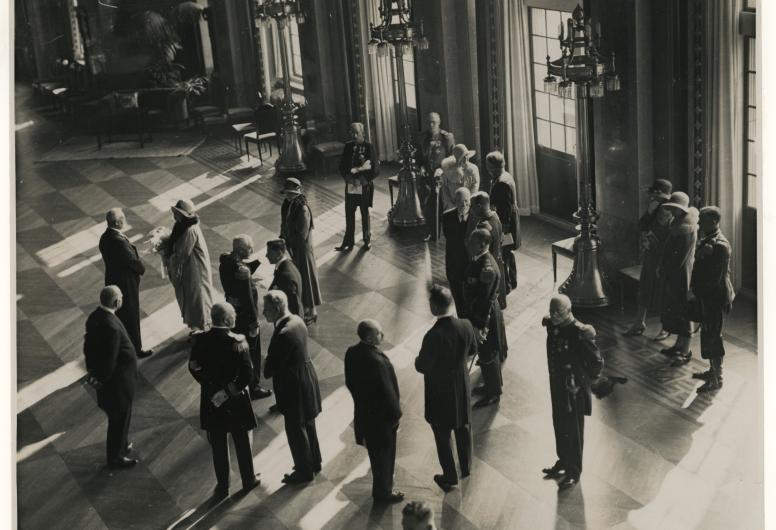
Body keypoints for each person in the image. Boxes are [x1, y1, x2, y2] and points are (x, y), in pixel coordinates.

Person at [189, 303, 261, 498]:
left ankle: (222, 486)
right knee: (242, 442)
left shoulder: (200, 340)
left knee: (218, 444)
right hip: (235, 400)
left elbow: (194, 367)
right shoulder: (238, 341)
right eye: (233, 314)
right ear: (226, 319)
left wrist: (210, 387)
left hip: (211, 400)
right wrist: (227, 392)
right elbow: (247, 375)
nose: (235, 316)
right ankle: (248, 480)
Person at [415, 285, 476, 492]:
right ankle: (466, 467)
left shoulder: (433, 335)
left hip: (440, 392)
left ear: (434, 306)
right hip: (461, 386)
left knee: (442, 436)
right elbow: (473, 349)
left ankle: (450, 476)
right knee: (463, 427)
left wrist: (417, 360)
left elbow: (422, 366)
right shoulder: (466, 325)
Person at [541, 294, 604, 489]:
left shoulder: (580, 333)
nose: (553, 315)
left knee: (573, 430)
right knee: (559, 423)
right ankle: (563, 460)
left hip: (573, 390)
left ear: (569, 311)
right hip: (557, 385)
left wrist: (583, 383)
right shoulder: (553, 324)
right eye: (551, 311)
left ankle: (573, 471)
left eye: (558, 312)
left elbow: (596, 363)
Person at [263, 290, 323, 484]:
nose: (263, 313)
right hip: (305, 378)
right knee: (309, 423)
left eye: (266, 309)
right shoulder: (297, 320)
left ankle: (304, 471)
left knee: (295, 430)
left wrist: (266, 363)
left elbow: (269, 369)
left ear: (276, 308)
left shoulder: (283, 333)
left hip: (292, 386)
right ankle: (314, 461)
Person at [344, 319, 404, 503]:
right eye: (379, 333)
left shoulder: (351, 353)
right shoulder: (376, 361)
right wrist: (396, 415)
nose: (382, 335)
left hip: (365, 414)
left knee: (375, 456)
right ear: (370, 338)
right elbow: (388, 392)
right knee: (385, 457)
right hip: (382, 419)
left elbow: (350, 383)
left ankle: (381, 490)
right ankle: (384, 492)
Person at [83, 286, 139, 469]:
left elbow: (88, 347)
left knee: (120, 416)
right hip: (118, 384)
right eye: (121, 297)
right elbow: (110, 360)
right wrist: (101, 378)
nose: (122, 299)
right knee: (119, 419)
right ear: (117, 302)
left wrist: (92, 372)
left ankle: (122, 444)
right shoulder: (112, 327)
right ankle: (115, 457)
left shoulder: (95, 317)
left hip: (111, 382)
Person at [219, 235, 272, 400]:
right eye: (250, 248)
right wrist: (254, 322)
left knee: (238, 350)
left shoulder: (226, 262)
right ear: (242, 250)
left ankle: (239, 382)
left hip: (234, 313)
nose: (252, 250)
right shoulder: (242, 271)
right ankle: (253, 386)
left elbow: (234, 282)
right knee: (253, 353)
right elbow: (248, 298)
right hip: (246, 317)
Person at [689, 206, 735, 392]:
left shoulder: (720, 245)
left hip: (714, 297)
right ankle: (712, 371)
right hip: (707, 296)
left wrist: (697, 293)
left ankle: (717, 379)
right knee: (708, 334)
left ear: (714, 222)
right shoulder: (709, 239)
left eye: (703, 221)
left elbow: (715, 278)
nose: (699, 224)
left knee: (713, 336)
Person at [99, 208, 153, 358]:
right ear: (117, 222)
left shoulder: (105, 237)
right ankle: (136, 349)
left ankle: (122, 347)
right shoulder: (117, 241)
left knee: (121, 315)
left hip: (114, 279)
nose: (125, 220)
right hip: (125, 284)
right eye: (123, 218)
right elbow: (132, 261)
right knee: (131, 315)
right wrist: (142, 268)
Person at [624, 179, 674, 338]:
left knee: (663, 291)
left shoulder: (668, 208)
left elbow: (661, 231)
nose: (651, 196)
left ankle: (666, 327)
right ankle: (639, 322)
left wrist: (650, 236)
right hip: (651, 253)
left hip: (664, 255)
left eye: (653, 193)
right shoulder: (655, 205)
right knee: (645, 286)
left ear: (659, 193)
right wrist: (650, 211)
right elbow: (642, 225)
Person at [463, 228, 507, 408]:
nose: (468, 244)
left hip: (485, 315)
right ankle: (491, 385)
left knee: (487, 353)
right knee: (486, 352)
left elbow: (484, 300)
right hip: (481, 311)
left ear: (482, 245)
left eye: (472, 242)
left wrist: (479, 326)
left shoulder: (487, 268)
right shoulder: (479, 259)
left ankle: (493, 393)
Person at [658, 191, 699, 366]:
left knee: (684, 309)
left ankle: (685, 350)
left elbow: (681, 256)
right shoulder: (676, 222)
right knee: (676, 308)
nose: (672, 211)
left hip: (682, 273)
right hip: (674, 272)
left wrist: (669, 270)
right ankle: (678, 345)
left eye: (674, 208)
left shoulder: (687, 228)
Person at [165, 198, 214, 332]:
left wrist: (166, 256)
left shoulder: (189, 230)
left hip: (195, 270)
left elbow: (181, 253)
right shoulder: (183, 225)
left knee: (197, 299)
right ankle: (196, 325)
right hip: (190, 269)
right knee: (192, 298)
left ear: (182, 214)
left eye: (176, 213)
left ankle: (202, 327)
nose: (174, 215)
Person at [280, 178, 322, 325]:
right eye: (287, 193)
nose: (288, 195)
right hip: (293, 247)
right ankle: (305, 308)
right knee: (299, 278)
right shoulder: (287, 204)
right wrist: (283, 239)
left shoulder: (302, 208)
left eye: (290, 193)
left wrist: (290, 246)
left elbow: (302, 233)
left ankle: (311, 310)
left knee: (306, 278)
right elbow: (284, 224)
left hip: (302, 249)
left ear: (297, 193)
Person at [337, 122, 378, 251]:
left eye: (357, 133)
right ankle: (348, 241)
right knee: (349, 213)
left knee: (364, 213)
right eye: (352, 133)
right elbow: (342, 166)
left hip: (363, 186)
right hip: (350, 185)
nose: (354, 136)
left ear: (363, 133)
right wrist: (348, 179)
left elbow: (375, 169)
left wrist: (361, 180)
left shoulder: (369, 147)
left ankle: (366, 239)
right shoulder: (348, 146)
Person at [417, 112, 455, 241]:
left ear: (439, 123)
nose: (431, 125)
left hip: (442, 176)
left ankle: (446, 232)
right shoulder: (423, 137)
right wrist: (421, 166)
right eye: (429, 122)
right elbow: (419, 157)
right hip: (427, 176)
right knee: (428, 204)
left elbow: (452, 158)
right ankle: (432, 232)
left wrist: (442, 168)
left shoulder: (446, 137)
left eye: (434, 122)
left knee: (442, 204)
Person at [486, 151, 521, 291]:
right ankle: (512, 281)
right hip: (510, 221)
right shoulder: (506, 176)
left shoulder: (501, 183)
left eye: (489, 166)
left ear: (494, 167)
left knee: (504, 253)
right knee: (508, 253)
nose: (488, 169)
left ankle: (507, 284)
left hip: (505, 224)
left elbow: (505, 209)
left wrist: (503, 230)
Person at [467, 192, 508, 309]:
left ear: (479, 206)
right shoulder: (495, 216)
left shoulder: (484, 226)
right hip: (497, 261)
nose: (470, 210)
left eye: (471, 206)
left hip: (487, 266)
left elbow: (477, 249)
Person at [441, 187, 472, 316]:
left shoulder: (476, 218)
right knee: (457, 296)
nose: (464, 204)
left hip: (470, 264)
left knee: (469, 298)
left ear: (470, 201)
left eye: (466, 201)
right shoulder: (447, 216)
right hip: (454, 263)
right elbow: (448, 236)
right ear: (455, 201)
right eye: (460, 201)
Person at [439, 144, 480, 214]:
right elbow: (445, 190)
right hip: (453, 205)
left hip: (469, 204)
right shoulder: (448, 170)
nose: (466, 158)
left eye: (466, 155)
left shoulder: (473, 169)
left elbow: (475, 186)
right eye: (463, 157)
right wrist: (451, 205)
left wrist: (468, 202)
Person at [267, 239, 303, 318]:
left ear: (279, 253)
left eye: (269, 252)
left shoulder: (284, 275)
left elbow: (294, 304)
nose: (266, 255)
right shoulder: (289, 264)